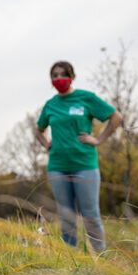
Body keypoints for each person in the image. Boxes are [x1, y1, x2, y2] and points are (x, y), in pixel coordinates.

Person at [35, 61, 123, 253]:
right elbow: (39, 130)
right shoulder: (51, 105)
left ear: (72, 77)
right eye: (54, 76)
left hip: (85, 165)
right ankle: (71, 258)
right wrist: (46, 144)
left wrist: (99, 139)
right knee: (67, 216)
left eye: (62, 74)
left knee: (90, 214)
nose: (58, 79)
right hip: (57, 166)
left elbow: (116, 117)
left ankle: (101, 256)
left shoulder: (85, 98)